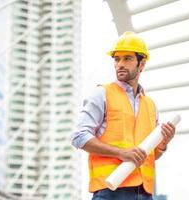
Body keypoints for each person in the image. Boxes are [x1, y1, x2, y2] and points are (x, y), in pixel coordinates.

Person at [71, 31, 176, 200]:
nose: (120, 64)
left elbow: (150, 156)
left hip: (144, 194)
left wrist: (163, 144)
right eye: (117, 59)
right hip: (110, 190)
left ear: (142, 64)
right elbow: (78, 137)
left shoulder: (150, 106)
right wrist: (121, 153)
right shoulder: (102, 94)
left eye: (127, 58)